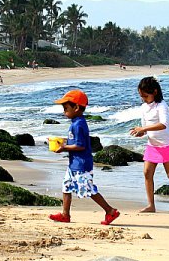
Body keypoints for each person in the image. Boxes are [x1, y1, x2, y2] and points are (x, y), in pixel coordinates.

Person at [49, 89, 120, 225]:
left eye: (66, 108)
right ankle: (65, 214)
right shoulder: (75, 122)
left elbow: (80, 146)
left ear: (76, 108)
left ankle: (110, 211)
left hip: (81, 164)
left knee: (88, 189)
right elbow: (75, 141)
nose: (64, 111)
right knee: (66, 186)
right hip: (74, 164)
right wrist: (62, 142)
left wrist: (64, 147)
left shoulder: (79, 124)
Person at [129, 76, 169, 215]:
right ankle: (151, 205)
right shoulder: (144, 107)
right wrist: (140, 132)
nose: (143, 98)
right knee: (147, 173)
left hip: (166, 145)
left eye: (145, 95)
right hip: (152, 145)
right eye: (141, 96)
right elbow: (146, 128)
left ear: (154, 92)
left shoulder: (161, 105)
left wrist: (144, 129)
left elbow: (164, 124)